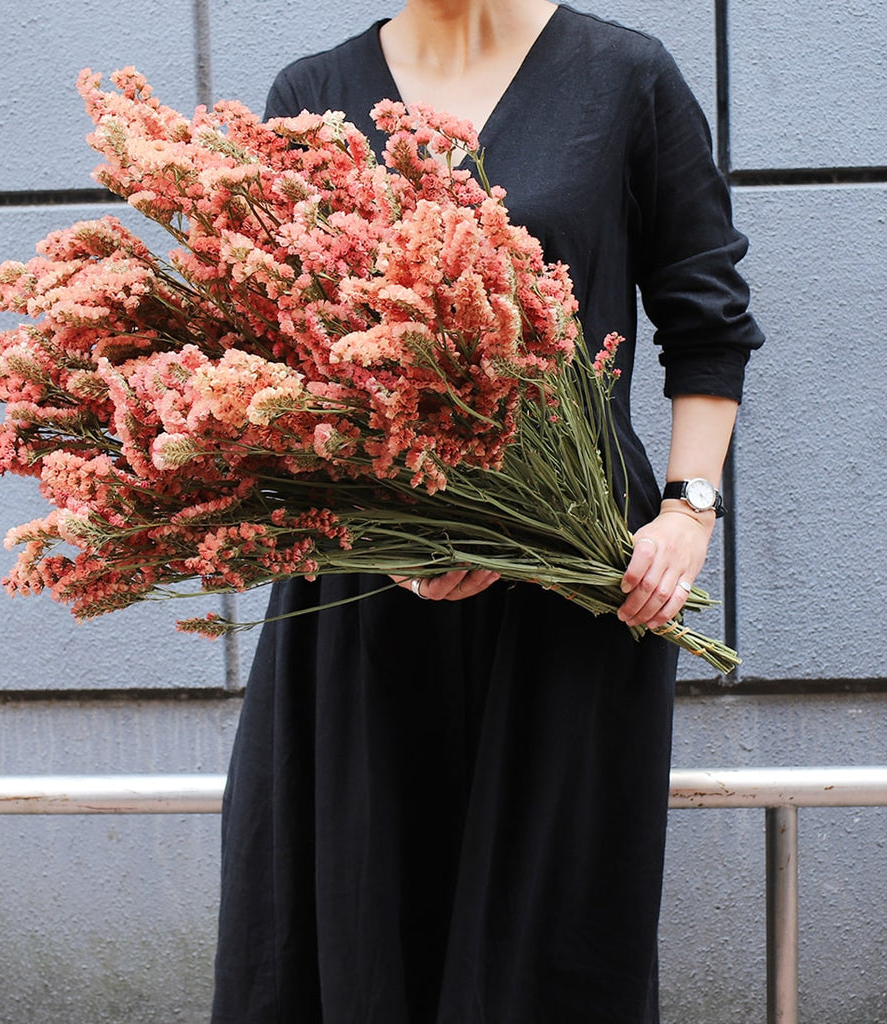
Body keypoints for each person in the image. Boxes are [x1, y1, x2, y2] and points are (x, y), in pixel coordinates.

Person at [211, 2, 764, 1021]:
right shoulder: (311, 97)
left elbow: (706, 317)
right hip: (366, 589)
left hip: (575, 582)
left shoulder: (626, 79)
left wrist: (687, 511)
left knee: (547, 945)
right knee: (364, 926)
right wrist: (405, 539)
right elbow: (282, 357)